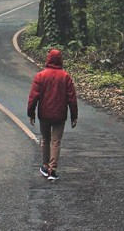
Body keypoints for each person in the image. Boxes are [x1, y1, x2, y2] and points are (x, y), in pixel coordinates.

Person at [27, 48, 78, 181]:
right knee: (56, 141)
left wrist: (31, 113)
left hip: (44, 114)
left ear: (48, 59)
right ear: (60, 60)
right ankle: (52, 169)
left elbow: (33, 97)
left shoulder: (40, 76)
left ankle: (45, 165)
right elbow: (72, 98)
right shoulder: (65, 77)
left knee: (45, 140)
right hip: (60, 115)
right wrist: (74, 115)